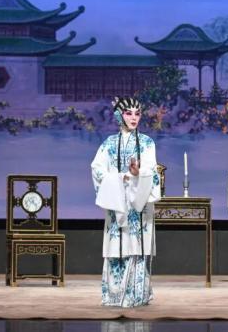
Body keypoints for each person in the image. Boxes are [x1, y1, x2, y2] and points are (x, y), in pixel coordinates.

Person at [91, 97, 161, 307]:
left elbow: (152, 171)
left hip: (138, 203)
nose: (133, 118)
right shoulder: (109, 143)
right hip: (117, 200)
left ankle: (136, 294)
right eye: (129, 113)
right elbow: (97, 168)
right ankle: (114, 294)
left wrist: (138, 173)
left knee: (136, 246)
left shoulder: (147, 142)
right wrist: (117, 179)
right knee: (116, 246)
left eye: (137, 113)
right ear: (119, 115)